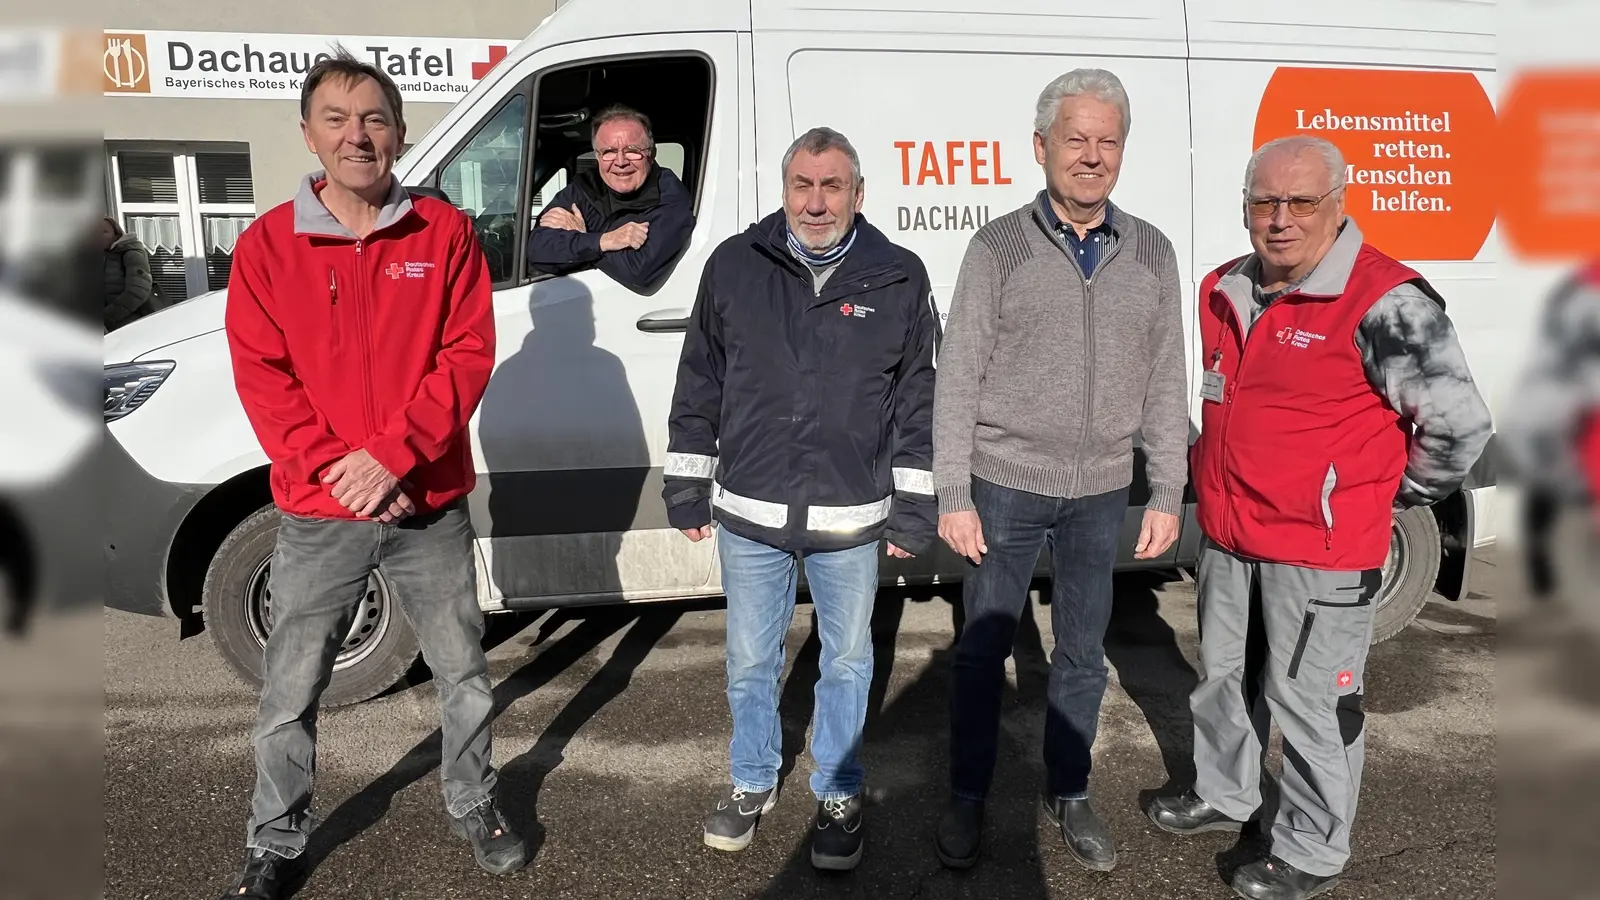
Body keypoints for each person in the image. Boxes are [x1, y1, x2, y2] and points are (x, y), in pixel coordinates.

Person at [1144, 135, 1491, 900]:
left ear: (1339, 204)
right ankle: (1227, 794)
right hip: (1233, 539)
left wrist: (1385, 496)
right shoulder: (1224, 288)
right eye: (1264, 201)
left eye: (1302, 202)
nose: (1281, 219)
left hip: (1323, 554)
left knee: (1312, 705)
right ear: (1243, 208)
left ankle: (1311, 848)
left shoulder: (1387, 301)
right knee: (1224, 681)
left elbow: (1461, 427)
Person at [218, 49, 521, 900]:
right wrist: (336, 469)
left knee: (462, 670)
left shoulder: (445, 233)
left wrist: (391, 455)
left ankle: (475, 801)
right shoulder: (269, 246)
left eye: (376, 118)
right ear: (309, 133)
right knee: (290, 689)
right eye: (339, 119)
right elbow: (262, 376)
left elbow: (468, 354)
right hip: (321, 512)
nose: (359, 136)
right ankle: (276, 840)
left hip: (427, 502)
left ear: (399, 131)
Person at [930, 68, 1189, 873]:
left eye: (1107, 140)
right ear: (1041, 147)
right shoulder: (998, 247)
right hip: (1004, 486)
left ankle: (1069, 792)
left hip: (1101, 491)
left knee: (1081, 655)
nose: (1092, 155)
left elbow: (1166, 378)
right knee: (982, 651)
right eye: (1076, 139)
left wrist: (1167, 488)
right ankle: (968, 795)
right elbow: (959, 371)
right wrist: (953, 491)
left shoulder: (1151, 251)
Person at [662, 126, 939, 871]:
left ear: (858, 193)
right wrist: (686, 483)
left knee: (846, 660)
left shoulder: (899, 277)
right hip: (751, 511)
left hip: (851, 516)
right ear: (784, 189)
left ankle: (839, 789)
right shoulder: (734, 265)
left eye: (833, 187)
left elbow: (920, 405)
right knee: (751, 659)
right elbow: (700, 380)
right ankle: (752, 780)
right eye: (802, 186)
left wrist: (915, 508)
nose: (816, 203)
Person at [525, 103, 696, 294]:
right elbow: (538, 249)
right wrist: (601, 242)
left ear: (651, 154)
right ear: (597, 157)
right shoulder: (585, 187)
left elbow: (639, 273)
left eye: (632, 150)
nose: (621, 162)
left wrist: (580, 240)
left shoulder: (670, 198)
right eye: (609, 152)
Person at [101, 216, 158, 331]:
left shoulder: (130, 253)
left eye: (104, 232)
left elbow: (137, 291)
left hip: (129, 325)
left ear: (116, 235)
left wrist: (107, 317)